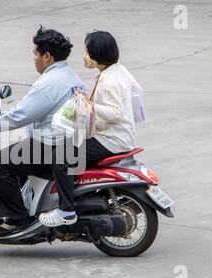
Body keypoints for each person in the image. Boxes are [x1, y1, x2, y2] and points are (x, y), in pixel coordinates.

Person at [0, 26, 84, 232]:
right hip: (71, 143)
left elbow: (21, 115)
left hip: (50, 144)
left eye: (35, 53)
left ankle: (18, 221)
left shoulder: (49, 83)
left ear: (47, 56)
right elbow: (27, 108)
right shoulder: (72, 78)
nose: (33, 58)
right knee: (14, 156)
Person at [39, 30, 142, 227]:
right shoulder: (119, 71)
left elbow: (116, 112)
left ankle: (66, 211)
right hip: (121, 135)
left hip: (110, 140)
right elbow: (137, 91)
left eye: (87, 51)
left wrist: (90, 105)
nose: (85, 56)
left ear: (97, 55)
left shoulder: (110, 81)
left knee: (61, 157)